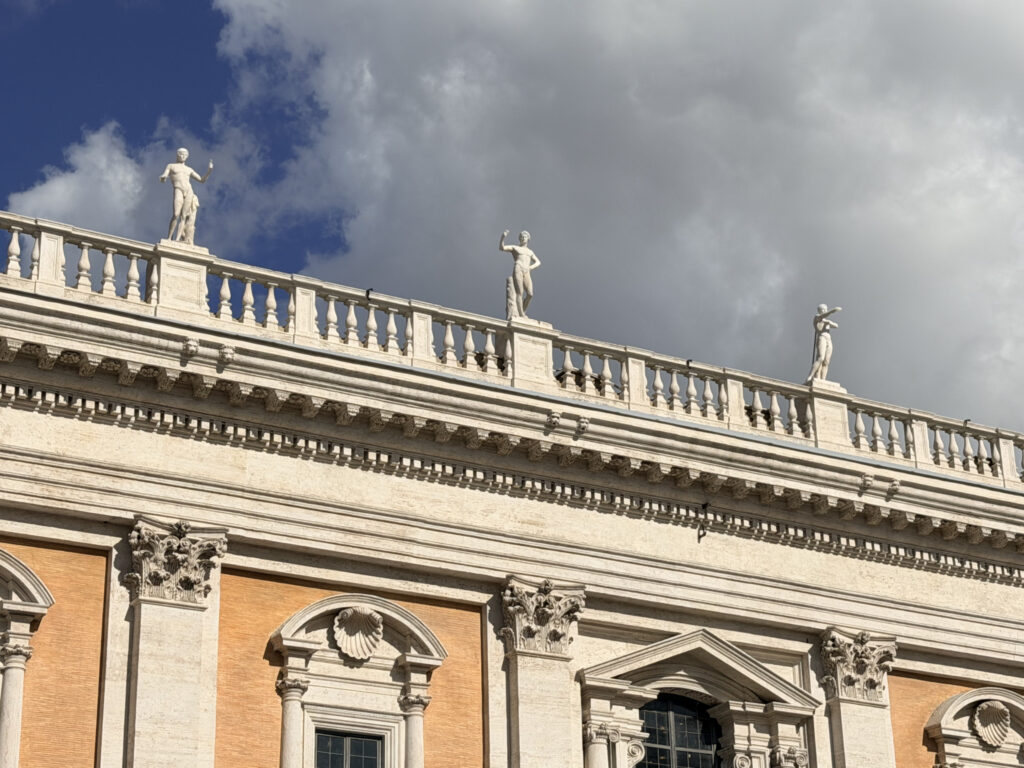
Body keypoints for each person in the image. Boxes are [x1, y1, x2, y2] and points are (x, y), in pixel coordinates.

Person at [160, 148, 213, 243]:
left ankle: (177, 239)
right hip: (178, 189)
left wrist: (209, 171)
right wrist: (163, 177)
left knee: (183, 216)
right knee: (176, 214)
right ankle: (169, 238)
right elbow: (165, 174)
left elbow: (201, 180)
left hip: (189, 191)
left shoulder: (189, 169)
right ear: (177, 155)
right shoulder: (171, 166)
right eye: (181, 154)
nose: (183, 156)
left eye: (185, 155)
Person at [499, 229, 541, 319]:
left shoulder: (530, 252)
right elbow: (502, 248)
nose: (523, 238)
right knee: (520, 293)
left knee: (530, 294)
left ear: (528, 239)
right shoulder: (515, 248)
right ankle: (521, 314)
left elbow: (538, 262)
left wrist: (530, 268)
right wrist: (503, 237)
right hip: (518, 268)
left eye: (525, 237)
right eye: (521, 237)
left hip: (527, 271)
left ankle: (521, 311)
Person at [806, 304, 842, 383]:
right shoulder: (817, 317)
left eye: (826, 309)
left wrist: (828, 322)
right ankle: (810, 376)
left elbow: (836, 326)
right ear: (820, 310)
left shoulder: (826, 320)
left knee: (826, 361)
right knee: (820, 358)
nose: (825, 311)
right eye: (823, 309)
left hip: (829, 339)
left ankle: (823, 379)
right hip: (822, 337)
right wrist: (833, 311)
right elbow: (823, 316)